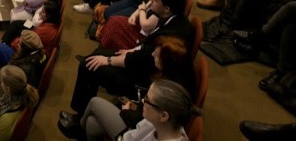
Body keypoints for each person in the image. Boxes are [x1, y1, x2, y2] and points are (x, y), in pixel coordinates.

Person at [60, 0, 194, 121]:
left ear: (167, 8)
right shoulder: (173, 19)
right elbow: (145, 51)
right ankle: (83, 113)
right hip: (144, 67)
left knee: (88, 66)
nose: (151, 2)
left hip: (146, 83)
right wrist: (128, 52)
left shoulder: (171, 36)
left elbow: (144, 59)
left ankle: (80, 119)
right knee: (96, 57)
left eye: (154, 0)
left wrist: (109, 60)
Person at [60, 60, 199, 141]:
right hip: (126, 134)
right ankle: (80, 131)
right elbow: (136, 133)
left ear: (164, 116)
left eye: (147, 101)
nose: (143, 103)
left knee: (93, 114)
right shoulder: (162, 124)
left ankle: (78, 129)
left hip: (126, 132)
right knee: (91, 123)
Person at [0, 3, 60, 85]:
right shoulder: (48, 25)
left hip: (21, 60)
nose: (40, 13)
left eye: (43, 12)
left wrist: (16, 43)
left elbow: (25, 46)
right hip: (26, 55)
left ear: (49, 16)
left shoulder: (45, 32)